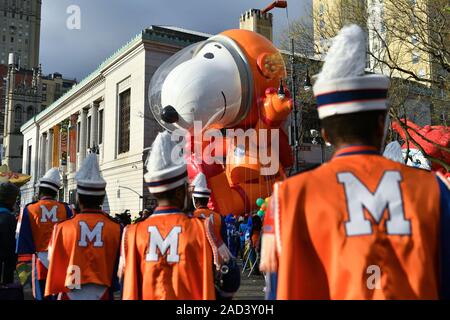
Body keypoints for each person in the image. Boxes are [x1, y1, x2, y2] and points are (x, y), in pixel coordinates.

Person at [260, 25, 450, 300]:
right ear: (381, 125)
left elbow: (279, 292)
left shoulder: (289, 199)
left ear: (325, 134)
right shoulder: (434, 190)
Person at [121, 131, 217, 300]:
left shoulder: (133, 232)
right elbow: (228, 281)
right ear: (180, 193)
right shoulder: (202, 228)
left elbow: (127, 287)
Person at [45, 154, 121, 300]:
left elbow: (51, 259)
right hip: (104, 292)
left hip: (69, 291)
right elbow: (119, 268)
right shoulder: (117, 228)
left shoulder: (62, 228)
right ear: (102, 198)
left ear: (79, 199)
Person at [16, 168, 73, 300]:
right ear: (56, 192)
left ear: (40, 191)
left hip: (39, 264)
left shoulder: (28, 209)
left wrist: (24, 276)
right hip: (62, 263)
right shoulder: (67, 209)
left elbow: (22, 244)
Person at [0, 182, 20, 285]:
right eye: (14, 198)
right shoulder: (9, 218)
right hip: (5, 270)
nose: (15, 202)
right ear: (9, 199)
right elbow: (11, 247)